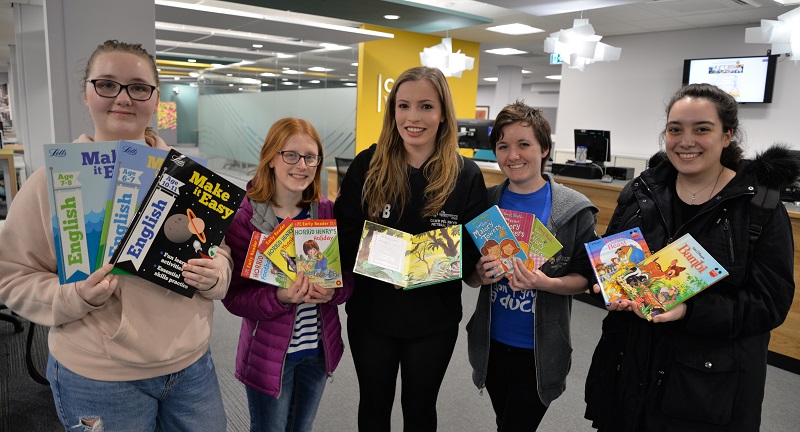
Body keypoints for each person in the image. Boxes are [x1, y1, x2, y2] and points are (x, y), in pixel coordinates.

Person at [0, 40, 230, 431]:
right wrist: (73, 297)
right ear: (86, 93)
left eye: (139, 87)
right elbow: (11, 276)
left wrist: (217, 276)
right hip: (98, 376)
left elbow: (217, 248)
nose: (123, 98)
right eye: (107, 84)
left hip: (191, 365)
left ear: (155, 99)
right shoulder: (51, 183)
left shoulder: (188, 178)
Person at [583, 83, 797, 432]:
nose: (686, 140)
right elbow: (611, 252)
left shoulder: (758, 207)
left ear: (727, 135)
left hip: (704, 387)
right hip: (629, 371)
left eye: (702, 129)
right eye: (675, 129)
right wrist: (608, 286)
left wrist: (688, 310)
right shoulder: (643, 191)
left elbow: (769, 303)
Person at [334, 66, 488, 431]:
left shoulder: (466, 174)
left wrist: (412, 262)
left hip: (433, 319)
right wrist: (415, 260)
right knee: (373, 405)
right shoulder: (367, 166)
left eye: (425, 106)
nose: (413, 117)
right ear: (392, 112)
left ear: (442, 114)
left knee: (420, 409)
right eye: (403, 106)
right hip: (373, 315)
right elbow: (346, 235)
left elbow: (472, 250)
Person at [464, 100, 599, 430]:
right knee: (504, 421)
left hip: (540, 349)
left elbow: (584, 279)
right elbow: (469, 273)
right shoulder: (486, 201)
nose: (513, 156)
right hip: (492, 343)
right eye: (503, 146)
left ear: (545, 149)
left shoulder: (573, 209)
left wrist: (546, 283)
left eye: (524, 144)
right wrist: (477, 275)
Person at [222, 117, 353, 432]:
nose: (302, 165)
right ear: (271, 158)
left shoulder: (325, 211)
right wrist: (278, 296)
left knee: (302, 428)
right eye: (291, 155)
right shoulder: (246, 218)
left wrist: (334, 292)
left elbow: (348, 278)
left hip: (317, 350)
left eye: (310, 157)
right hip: (269, 355)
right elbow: (233, 297)